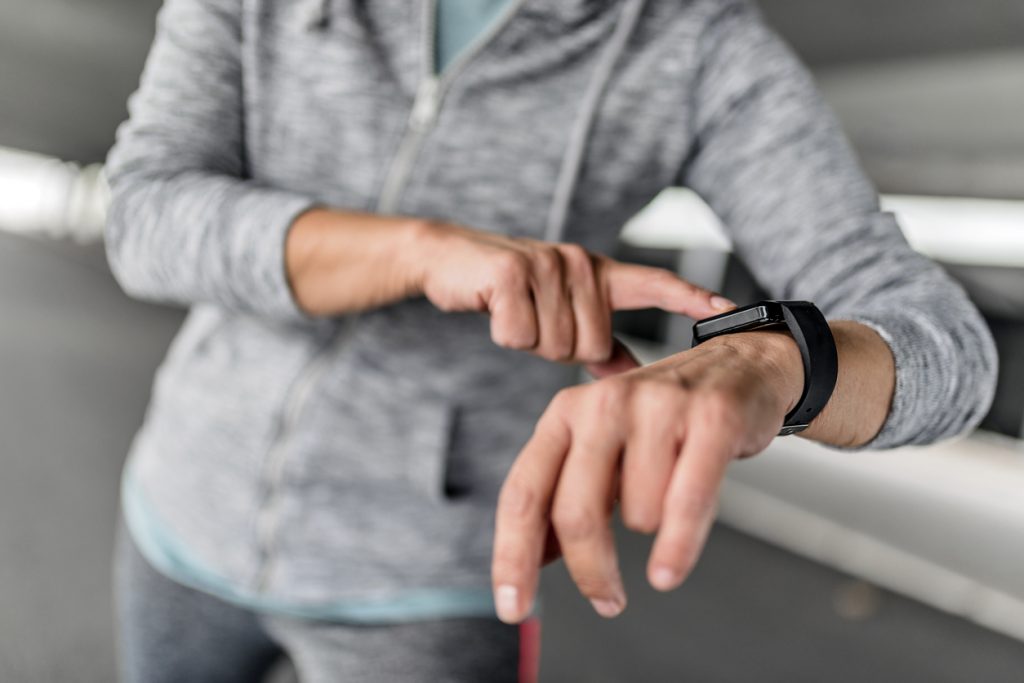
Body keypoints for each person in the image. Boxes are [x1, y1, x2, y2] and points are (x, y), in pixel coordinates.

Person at [105, 0, 997, 680]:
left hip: (431, 576)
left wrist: (770, 358)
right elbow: (142, 213)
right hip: (183, 509)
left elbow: (949, 347)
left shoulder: (694, 49)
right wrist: (423, 251)